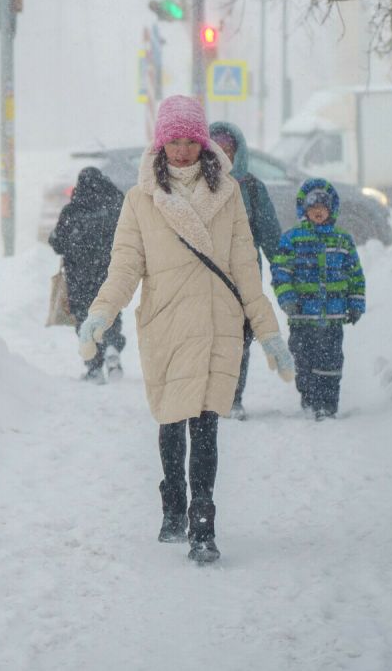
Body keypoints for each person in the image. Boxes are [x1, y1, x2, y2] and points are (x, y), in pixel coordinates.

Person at [77, 95, 295, 564]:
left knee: (207, 424)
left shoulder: (230, 194)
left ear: (201, 141)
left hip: (218, 326)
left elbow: (244, 270)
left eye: (189, 141)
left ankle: (203, 523)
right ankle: (173, 502)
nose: (180, 151)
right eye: (171, 141)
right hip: (167, 326)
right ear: (160, 143)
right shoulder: (140, 200)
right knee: (171, 421)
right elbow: (125, 267)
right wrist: (101, 313)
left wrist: (269, 332)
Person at [270, 178, 366, 419]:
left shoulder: (342, 241)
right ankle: (310, 399)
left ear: (331, 210)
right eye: (313, 209)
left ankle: (328, 403)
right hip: (302, 316)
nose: (318, 213)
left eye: (322, 208)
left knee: (331, 363)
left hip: (332, 317)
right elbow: (281, 273)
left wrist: (355, 303)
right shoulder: (292, 239)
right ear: (304, 211)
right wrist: (288, 299)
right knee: (304, 361)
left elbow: (355, 275)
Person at [208, 121, 282, 420]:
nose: (223, 155)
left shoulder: (251, 188)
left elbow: (271, 236)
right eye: (216, 149)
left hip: (244, 279)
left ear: (238, 153)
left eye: (228, 149)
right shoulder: (195, 187)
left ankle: (232, 398)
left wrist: (285, 271)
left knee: (238, 338)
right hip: (205, 278)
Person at [49, 166, 127, 383]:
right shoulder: (115, 206)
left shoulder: (73, 211)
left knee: (85, 319)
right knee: (110, 313)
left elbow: (57, 243)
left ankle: (94, 367)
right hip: (110, 273)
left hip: (80, 278)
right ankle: (112, 345)